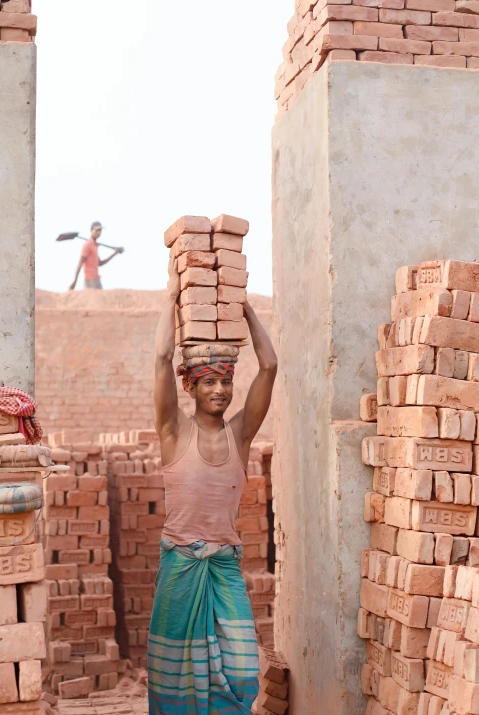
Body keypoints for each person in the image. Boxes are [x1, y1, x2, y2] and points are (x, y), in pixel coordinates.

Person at [148, 258, 278, 715]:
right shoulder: (173, 434)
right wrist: (173, 297)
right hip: (180, 566)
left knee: (242, 669)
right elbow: (163, 358)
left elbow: (269, 366)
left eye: (226, 382)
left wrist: (243, 309)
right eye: (210, 382)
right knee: (171, 679)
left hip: (223, 567)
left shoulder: (239, 436)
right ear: (192, 387)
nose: (220, 390)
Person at [68, 222, 124, 290]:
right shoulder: (87, 245)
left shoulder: (94, 246)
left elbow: (100, 263)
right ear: (91, 230)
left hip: (96, 278)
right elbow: (80, 263)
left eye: (100, 230)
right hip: (90, 280)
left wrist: (115, 253)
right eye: (96, 230)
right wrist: (75, 281)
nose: (99, 232)